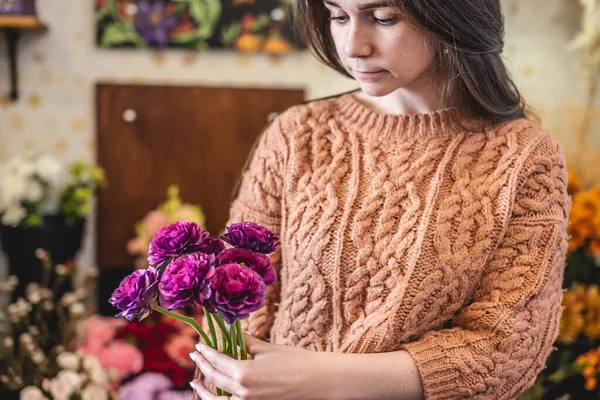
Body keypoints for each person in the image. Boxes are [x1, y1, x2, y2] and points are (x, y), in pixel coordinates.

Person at [189, 0, 571, 399]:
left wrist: (321, 379)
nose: (353, 46)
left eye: (384, 18)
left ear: (451, 14)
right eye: (338, 16)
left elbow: (508, 348)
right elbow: (237, 297)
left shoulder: (526, 158)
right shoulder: (295, 135)